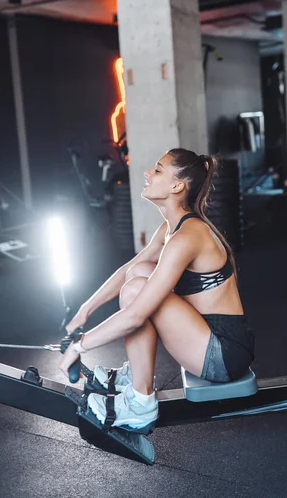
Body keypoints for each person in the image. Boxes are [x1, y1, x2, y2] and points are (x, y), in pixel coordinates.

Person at [59, 148, 254, 431]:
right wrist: (84, 311)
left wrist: (80, 345)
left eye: (158, 170)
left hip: (223, 354)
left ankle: (140, 404)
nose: (147, 173)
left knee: (138, 290)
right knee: (138, 274)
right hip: (207, 337)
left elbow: (136, 316)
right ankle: (136, 375)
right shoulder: (169, 230)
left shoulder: (189, 235)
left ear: (177, 186)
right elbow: (129, 269)